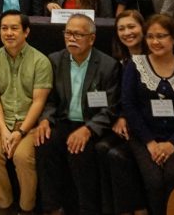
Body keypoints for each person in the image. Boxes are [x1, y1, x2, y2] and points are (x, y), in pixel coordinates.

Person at [118, 14, 174, 215]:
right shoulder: (135, 65)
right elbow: (129, 106)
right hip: (143, 137)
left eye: (161, 36)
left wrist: (172, 144)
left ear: (173, 38)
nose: (155, 42)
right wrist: (150, 142)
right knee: (154, 180)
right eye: (150, 36)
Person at [36, 14, 121, 215]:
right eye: (68, 33)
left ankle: (87, 209)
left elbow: (111, 107)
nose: (71, 38)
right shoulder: (55, 60)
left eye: (78, 34)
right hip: (63, 120)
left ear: (91, 38)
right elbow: (49, 100)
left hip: (91, 123)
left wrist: (89, 129)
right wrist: (45, 119)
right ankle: (52, 208)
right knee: (44, 145)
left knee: (79, 153)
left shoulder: (108, 65)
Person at [0, 10, 52, 215]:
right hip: (2, 120)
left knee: (22, 157)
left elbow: (39, 102)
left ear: (26, 32)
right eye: (4, 28)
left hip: (29, 123)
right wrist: (3, 130)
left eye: (14, 28)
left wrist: (20, 133)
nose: (8, 33)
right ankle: (4, 204)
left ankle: (26, 208)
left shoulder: (40, 61)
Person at [101, 10, 148, 215]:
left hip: (148, 125)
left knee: (116, 155)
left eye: (132, 27)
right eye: (121, 28)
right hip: (124, 124)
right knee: (101, 149)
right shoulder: (119, 61)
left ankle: (139, 209)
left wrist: (125, 117)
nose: (127, 32)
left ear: (143, 29)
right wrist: (120, 116)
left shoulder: (155, 57)